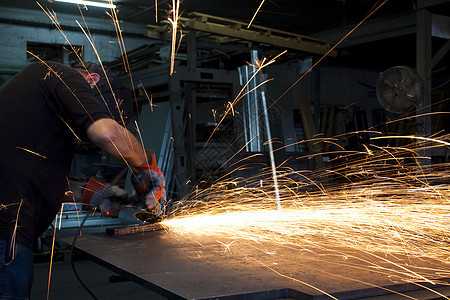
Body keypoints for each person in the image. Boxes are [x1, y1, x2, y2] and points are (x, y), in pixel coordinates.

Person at [0, 60, 165, 299]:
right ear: (92, 80)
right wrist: (147, 166)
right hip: (6, 234)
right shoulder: (60, 73)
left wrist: (97, 194)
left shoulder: (37, 98)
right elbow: (107, 134)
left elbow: (31, 178)